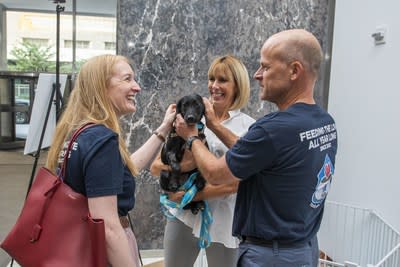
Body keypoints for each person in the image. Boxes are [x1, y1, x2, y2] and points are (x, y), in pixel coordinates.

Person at [174, 29, 338, 267]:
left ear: (294, 70)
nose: (257, 74)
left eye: (266, 67)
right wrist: (215, 126)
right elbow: (258, 153)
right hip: (303, 249)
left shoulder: (272, 129)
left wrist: (191, 137)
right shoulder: (324, 122)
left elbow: (216, 174)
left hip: (270, 256)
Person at [46, 54, 176, 267]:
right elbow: (107, 226)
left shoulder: (80, 132)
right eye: (127, 79)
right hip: (102, 250)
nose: (137, 87)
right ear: (101, 86)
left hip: (76, 244)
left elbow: (124, 168)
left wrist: (163, 130)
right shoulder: (102, 139)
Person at [150, 55, 255, 267]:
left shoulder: (248, 127)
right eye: (211, 79)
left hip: (225, 220)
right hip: (183, 217)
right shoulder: (190, 120)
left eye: (223, 80)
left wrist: (191, 195)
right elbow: (155, 167)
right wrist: (185, 167)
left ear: (238, 85)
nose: (214, 86)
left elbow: (238, 183)